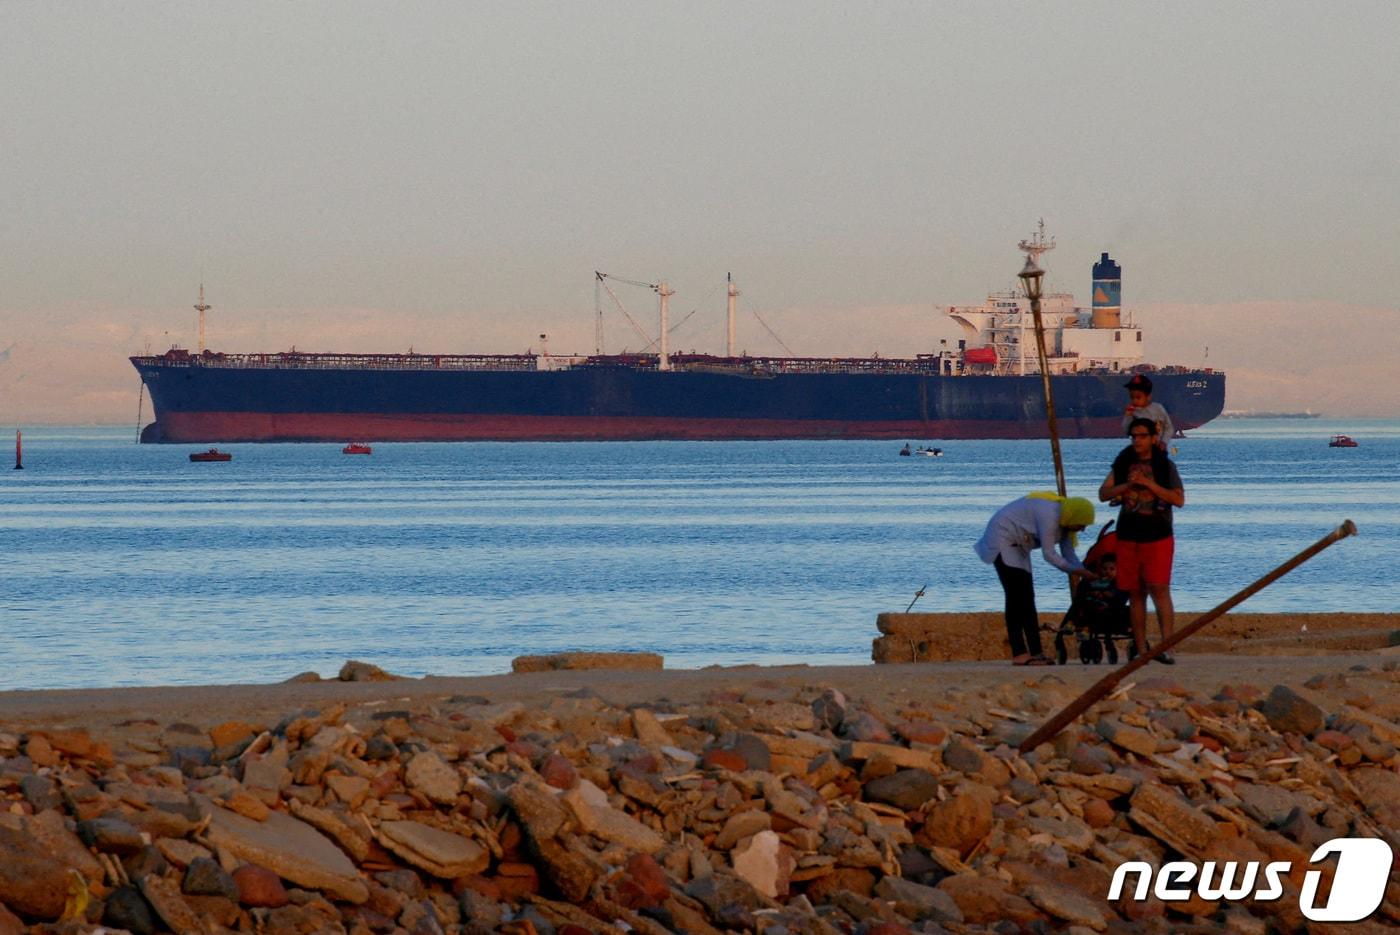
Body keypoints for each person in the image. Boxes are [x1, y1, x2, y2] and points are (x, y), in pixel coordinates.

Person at [1099, 417, 1186, 663]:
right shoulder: (1123, 462)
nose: (1137, 440)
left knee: (1160, 589)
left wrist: (1148, 483)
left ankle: (1167, 646)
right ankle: (1139, 648)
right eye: (1133, 436)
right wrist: (1126, 485)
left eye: (1142, 436)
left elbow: (1178, 499)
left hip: (1157, 536)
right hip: (1128, 536)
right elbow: (1103, 493)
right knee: (1135, 593)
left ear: (1152, 438)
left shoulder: (1164, 466)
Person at [975, 492, 1094, 665]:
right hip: (1002, 540)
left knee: (1028, 599)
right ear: (1073, 516)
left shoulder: (1065, 524)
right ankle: (1019, 653)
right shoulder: (1050, 516)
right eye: (1082, 524)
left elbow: (1068, 553)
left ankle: (1036, 652)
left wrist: (1083, 571)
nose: (1083, 529)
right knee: (1016, 598)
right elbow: (1049, 554)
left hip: (1020, 546)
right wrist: (1076, 571)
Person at [1122, 374, 1174, 448]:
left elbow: (1169, 428)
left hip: (1156, 448)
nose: (1134, 401)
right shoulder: (1133, 413)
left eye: (1138, 397)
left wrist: (1164, 442)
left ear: (1148, 397)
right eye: (1132, 397)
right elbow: (1126, 430)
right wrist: (1127, 416)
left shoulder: (1158, 408)